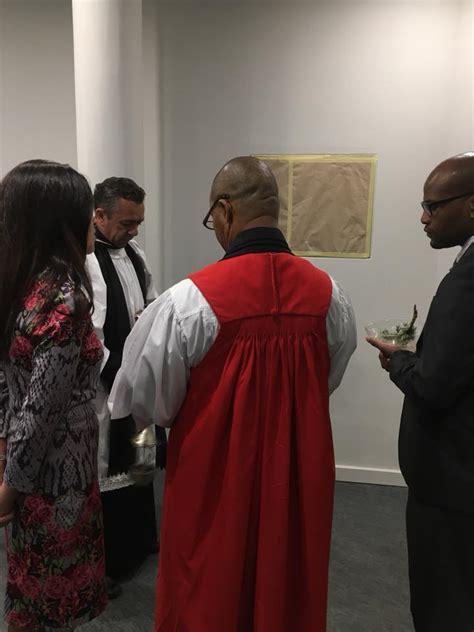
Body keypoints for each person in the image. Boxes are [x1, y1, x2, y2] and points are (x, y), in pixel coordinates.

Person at [110, 156, 357, 631]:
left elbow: (145, 400)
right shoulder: (329, 295)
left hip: (214, 472)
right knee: (288, 575)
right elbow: (326, 379)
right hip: (295, 468)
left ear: (224, 210)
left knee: (209, 582)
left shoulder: (189, 301)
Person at [367, 152, 474, 632]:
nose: (423, 217)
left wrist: (398, 360)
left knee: (443, 604)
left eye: (433, 205)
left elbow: (433, 386)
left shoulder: (468, 279)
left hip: (452, 479)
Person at [0, 159, 107, 631]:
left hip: (23, 464)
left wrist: (6, 465)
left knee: (29, 591)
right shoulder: (64, 298)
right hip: (58, 474)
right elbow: (41, 411)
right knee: (51, 601)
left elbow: (9, 388)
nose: (93, 223)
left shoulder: (21, 285)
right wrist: (10, 490)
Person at [86, 177, 165, 597]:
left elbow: (151, 302)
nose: (134, 231)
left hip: (140, 380)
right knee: (110, 465)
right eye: (127, 223)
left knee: (143, 458)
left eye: (139, 223)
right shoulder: (86, 262)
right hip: (108, 384)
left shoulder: (134, 253)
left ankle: (143, 539)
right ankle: (111, 560)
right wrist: (120, 373)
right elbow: (90, 333)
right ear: (99, 215)